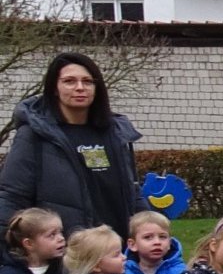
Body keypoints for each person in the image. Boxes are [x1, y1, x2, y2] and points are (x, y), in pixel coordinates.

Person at [0, 52, 140, 236]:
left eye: (88, 81)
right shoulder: (34, 135)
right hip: (67, 255)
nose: (80, 88)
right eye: (69, 81)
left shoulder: (116, 133)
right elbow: (12, 196)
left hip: (117, 254)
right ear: (54, 88)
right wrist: (10, 254)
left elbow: (133, 193)